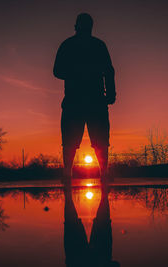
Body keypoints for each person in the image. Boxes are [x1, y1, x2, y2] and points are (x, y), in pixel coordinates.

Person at [53, 13, 116, 184]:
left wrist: (110, 94)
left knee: (97, 140)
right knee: (73, 140)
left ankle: (103, 172)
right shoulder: (92, 45)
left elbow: (109, 71)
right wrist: (110, 93)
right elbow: (57, 70)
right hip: (81, 99)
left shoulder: (72, 45)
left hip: (87, 100)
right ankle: (69, 173)